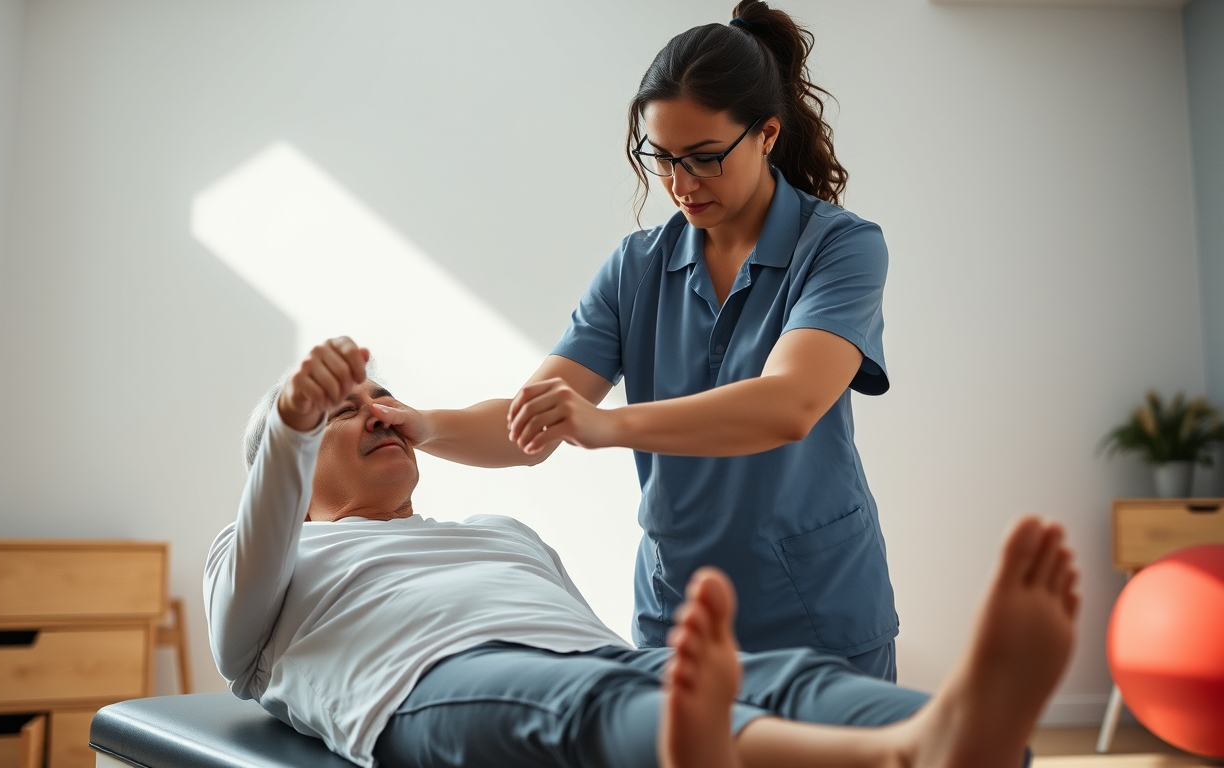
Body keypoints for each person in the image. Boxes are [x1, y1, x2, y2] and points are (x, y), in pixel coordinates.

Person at [204, 338, 1079, 768]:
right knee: (596, 703)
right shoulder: (269, 561)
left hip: (594, 659)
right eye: (340, 414)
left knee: (783, 678)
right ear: (291, 475)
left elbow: (594, 645)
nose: (378, 412)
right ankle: (900, 756)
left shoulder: (500, 533)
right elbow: (234, 627)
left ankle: (964, 734)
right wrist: (289, 422)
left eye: (383, 397)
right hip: (427, 681)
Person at [363, 1, 905, 680]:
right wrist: (421, 425)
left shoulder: (841, 248)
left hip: (819, 618)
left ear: (767, 134)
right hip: (675, 624)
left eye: (705, 158)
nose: (680, 185)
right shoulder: (637, 266)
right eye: (662, 158)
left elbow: (789, 404)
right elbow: (531, 424)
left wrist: (606, 425)